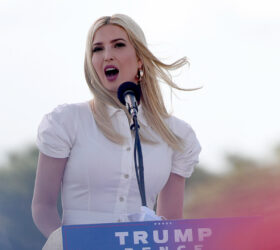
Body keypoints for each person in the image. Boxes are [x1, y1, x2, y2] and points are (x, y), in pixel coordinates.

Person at [31, 13, 201, 241]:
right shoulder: (67, 121)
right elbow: (43, 206)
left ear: (140, 58)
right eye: (97, 49)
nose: (107, 56)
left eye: (118, 45)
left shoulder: (177, 135)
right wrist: (65, 242)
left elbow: (170, 226)